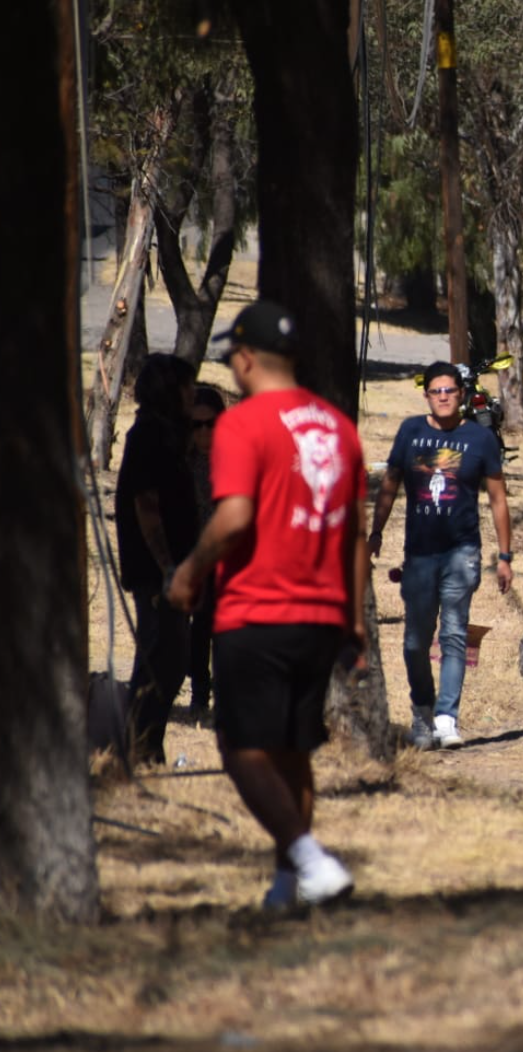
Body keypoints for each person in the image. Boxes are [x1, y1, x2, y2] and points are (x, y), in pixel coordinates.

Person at [167, 300, 366, 908]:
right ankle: (289, 886)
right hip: (323, 613)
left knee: (242, 749)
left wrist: (190, 572)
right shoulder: (337, 426)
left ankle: (312, 862)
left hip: (257, 609)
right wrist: (354, 620)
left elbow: (233, 518)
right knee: (292, 751)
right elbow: (355, 534)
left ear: (246, 359)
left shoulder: (242, 424)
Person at [370, 362, 513, 750]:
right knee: (416, 641)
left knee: (453, 635)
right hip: (419, 554)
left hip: (462, 552)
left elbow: (498, 499)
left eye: (451, 390)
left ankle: (447, 718)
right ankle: (422, 713)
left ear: (462, 395)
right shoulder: (410, 432)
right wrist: (376, 532)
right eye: (437, 391)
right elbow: (390, 485)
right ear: (427, 396)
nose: (444, 396)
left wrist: (505, 555)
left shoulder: (480, 438)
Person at [115, 352, 199, 765]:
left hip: (174, 570)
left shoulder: (169, 436)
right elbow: (146, 507)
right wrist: (167, 567)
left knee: (174, 659)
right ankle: (135, 753)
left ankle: (148, 749)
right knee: (157, 660)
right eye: (186, 387)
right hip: (156, 572)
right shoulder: (148, 435)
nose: (192, 394)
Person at [185, 384, 227, 722]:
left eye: (209, 424)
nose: (203, 432)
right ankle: (199, 690)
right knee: (198, 628)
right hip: (192, 553)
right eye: (195, 424)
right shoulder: (181, 460)